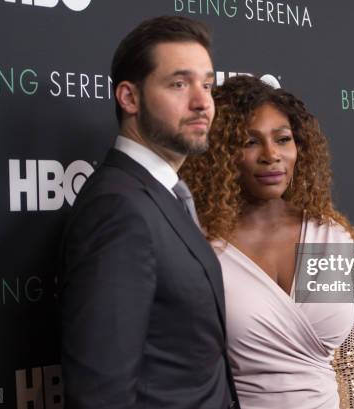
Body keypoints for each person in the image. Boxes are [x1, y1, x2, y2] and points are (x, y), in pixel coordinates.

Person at [58, 16, 238, 409]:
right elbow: (99, 394)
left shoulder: (163, 194)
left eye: (207, 84)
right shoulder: (118, 208)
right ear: (129, 98)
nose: (202, 101)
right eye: (179, 83)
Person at [181, 75, 354, 409]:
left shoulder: (329, 236)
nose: (271, 155)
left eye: (283, 139)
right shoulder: (201, 246)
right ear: (221, 154)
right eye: (249, 142)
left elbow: (348, 361)